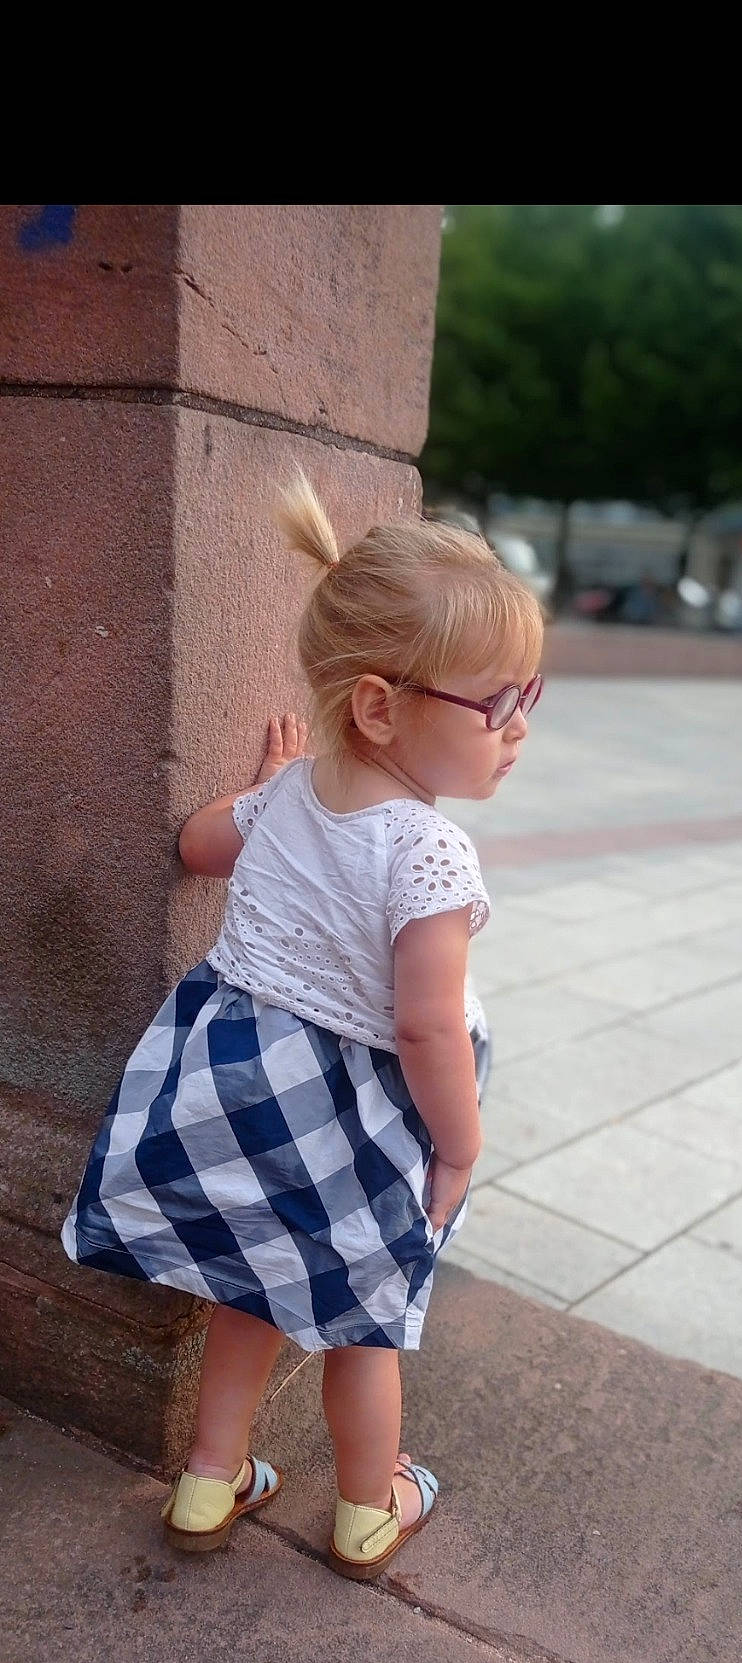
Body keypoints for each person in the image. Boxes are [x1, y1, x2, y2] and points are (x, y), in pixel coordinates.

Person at [61, 474, 544, 1581]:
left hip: (237, 1089)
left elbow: (193, 842)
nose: (517, 729)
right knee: (364, 1322)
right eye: (496, 704)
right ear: (380, 707)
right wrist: (461, 1146)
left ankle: (207, 1479)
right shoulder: (431, 854)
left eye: (530, 696)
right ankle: (369, 1509)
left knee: (252, 1290)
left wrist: (269, 784)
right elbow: (425, 1029)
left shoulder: (287, 799)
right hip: (354, 1117)